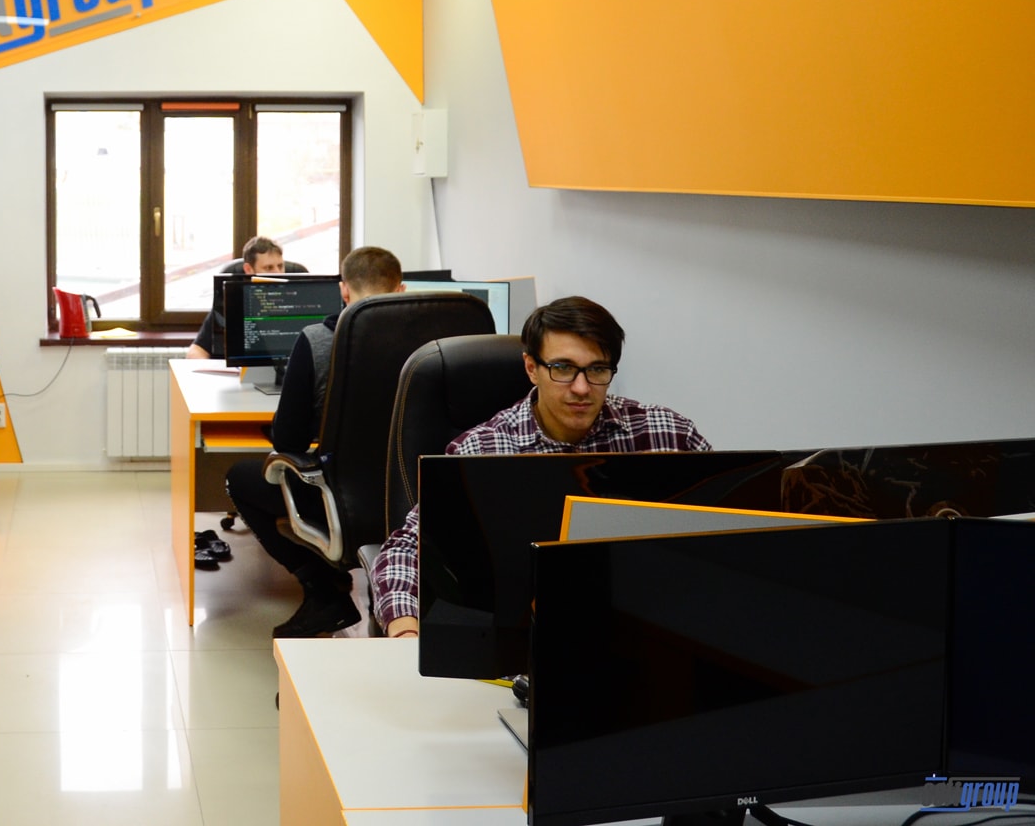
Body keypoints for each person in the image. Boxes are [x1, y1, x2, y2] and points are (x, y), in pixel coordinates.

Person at [369, 295, 711, 640]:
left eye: (597, 369)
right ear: (532, 368)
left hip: (644, 632)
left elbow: (727, 532)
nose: (582, 388)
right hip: (518, 638)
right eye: (563, 368)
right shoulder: (481, 451)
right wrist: (404, 630)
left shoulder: (669, 435)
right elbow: (407, 550)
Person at [224, 246, 406, 638]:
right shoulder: (432, 345)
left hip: (339, 502)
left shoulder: (317, 340)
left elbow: (287, 439)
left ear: (344, 290)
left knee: (240, 477)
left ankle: (324, 590)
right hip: (412, 503)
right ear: (401, 290)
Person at [184, 235, 287, 360]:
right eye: (269, 268)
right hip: (237, 370)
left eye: (280, 266)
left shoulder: (296, 300)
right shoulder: (232, 302)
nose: (278, 274)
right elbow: (196, 351)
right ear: (249, 269)